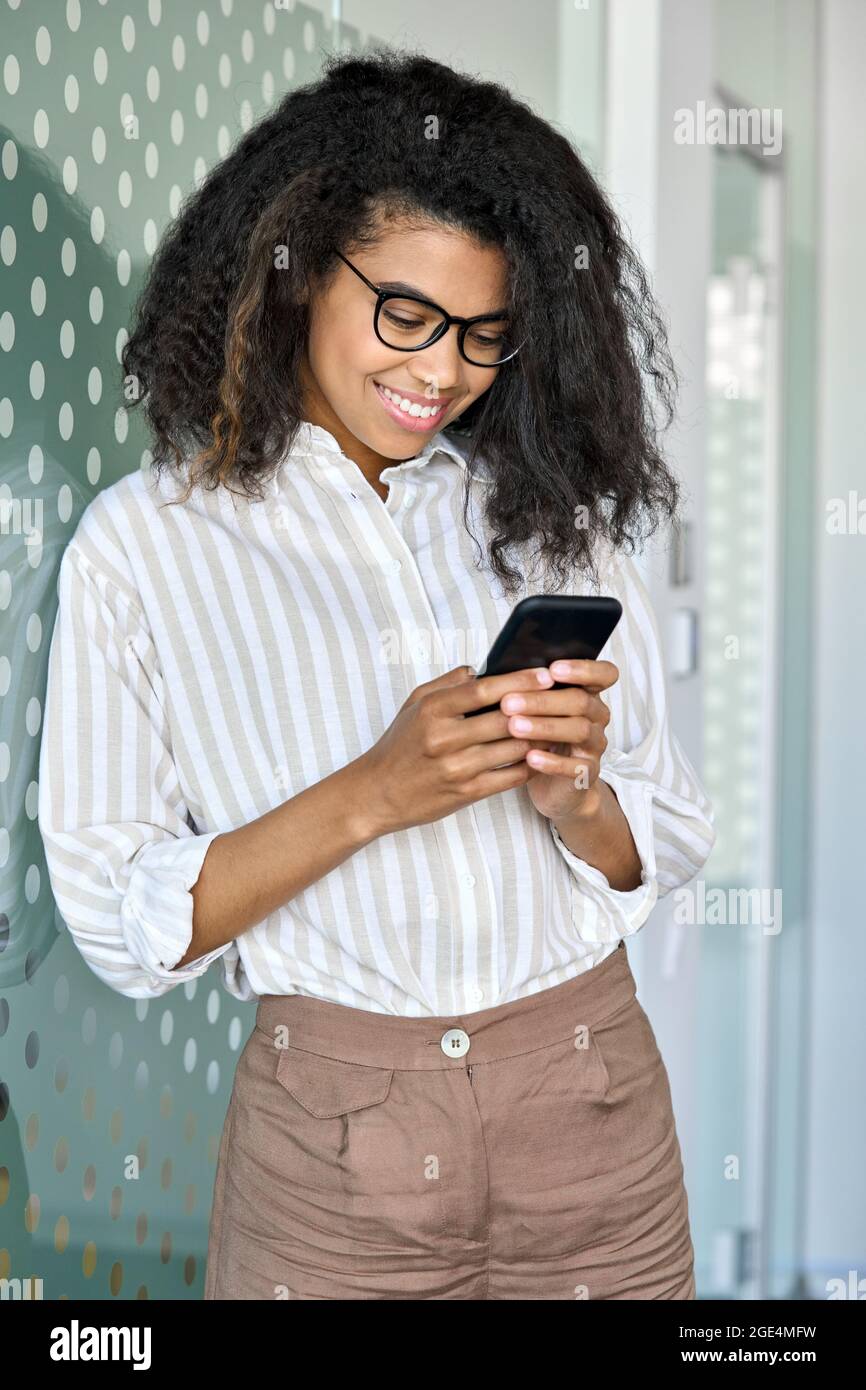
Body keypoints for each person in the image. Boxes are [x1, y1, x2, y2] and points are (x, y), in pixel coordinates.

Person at [37, 49, 716, 1300]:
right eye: (404, 315)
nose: (440, 372)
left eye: (482, 336)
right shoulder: (146, 547)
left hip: (591, 1117)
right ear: (293, 274)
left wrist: (579, 804)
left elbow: (661, 844)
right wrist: (376, 791)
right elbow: (117, 921)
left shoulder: (547, 514)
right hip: (331, 1163)